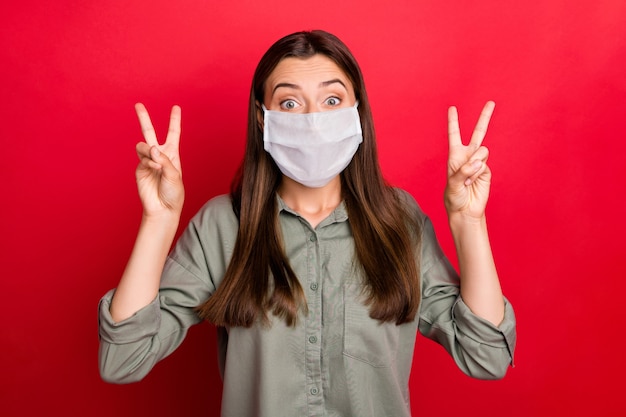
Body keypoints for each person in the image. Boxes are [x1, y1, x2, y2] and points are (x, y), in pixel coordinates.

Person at [98, 30, 516, 417]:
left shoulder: (399, 221)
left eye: (332, 101)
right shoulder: (222, 225)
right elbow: (122, 360)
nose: (313, 119)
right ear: (264, 118)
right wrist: (158, 220)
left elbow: (486, 356)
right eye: (290, 103)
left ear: (357, 113)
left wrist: (468, 221)